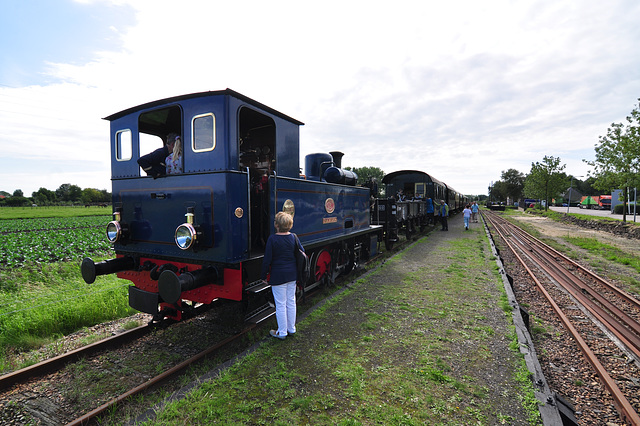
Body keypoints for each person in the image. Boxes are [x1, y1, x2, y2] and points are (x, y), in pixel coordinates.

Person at [260, 211, 304, 340]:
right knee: (291, 301)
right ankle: (291, 328)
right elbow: (302, 251)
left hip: (278, 276)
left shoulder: (272, 239)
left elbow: (267, 260)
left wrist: (263, 276)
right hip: (292, 274)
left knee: (280, 304)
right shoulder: (294, 237)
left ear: (276, 225)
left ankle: (282, 332)